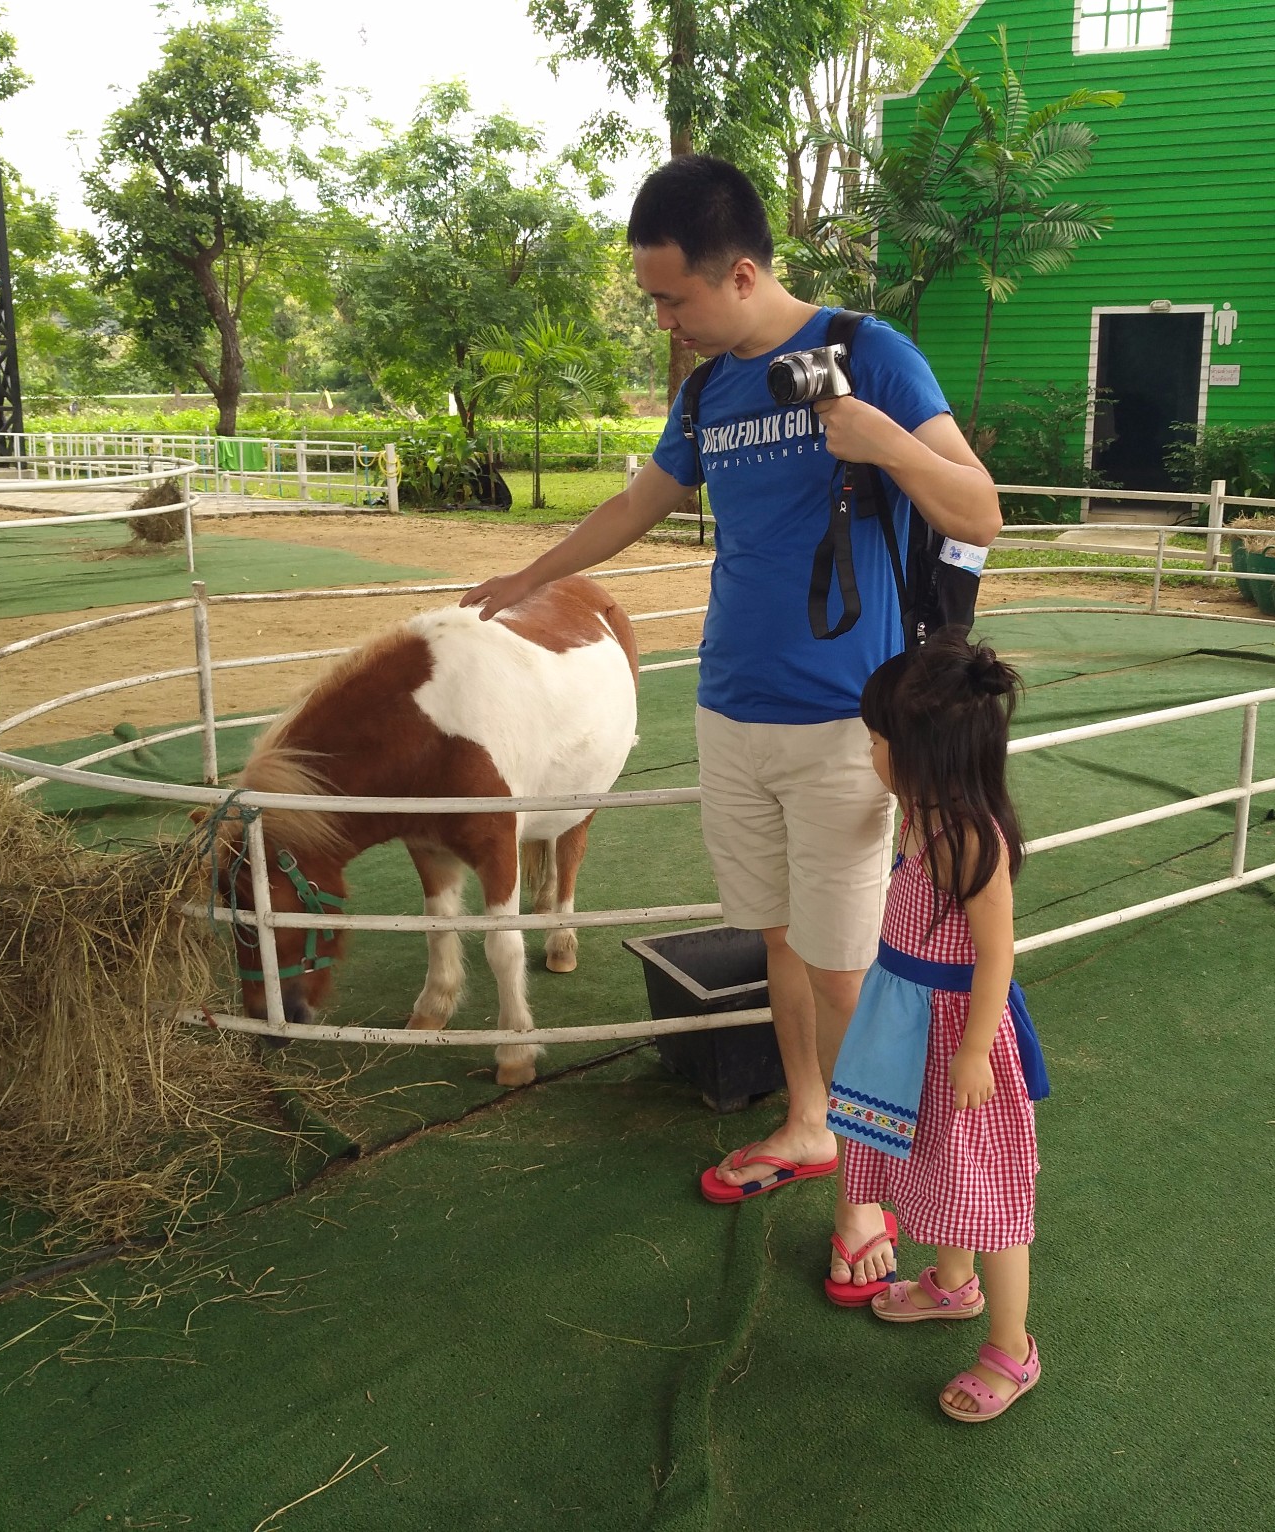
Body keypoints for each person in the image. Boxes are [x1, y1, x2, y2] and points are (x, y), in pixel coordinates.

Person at [461, 155, 1001, 1300]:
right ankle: (808, 1120)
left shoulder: (869, 352)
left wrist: (884, 443)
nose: (665, 320)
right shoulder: (708, 391)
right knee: (773, 938)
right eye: (656, 300)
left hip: (845, 727)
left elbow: (979, 509)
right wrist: (526, 574)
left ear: (741, 273)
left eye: (673, 300)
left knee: (849, 968)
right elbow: (637, 501)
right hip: (728, 710)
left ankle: (866, 1190)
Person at [835, 634, 1045, 1423]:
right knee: (936, 1164)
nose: (870, 754)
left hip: (959, 1035)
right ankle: (951, 1284)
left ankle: (1012, 1347)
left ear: (922, 753)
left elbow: (997, 955)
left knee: (985, 1191)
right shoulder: (918, 813)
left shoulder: (968, 838)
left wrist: (971, 1051)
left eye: (878, 742)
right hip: (907, 1024)